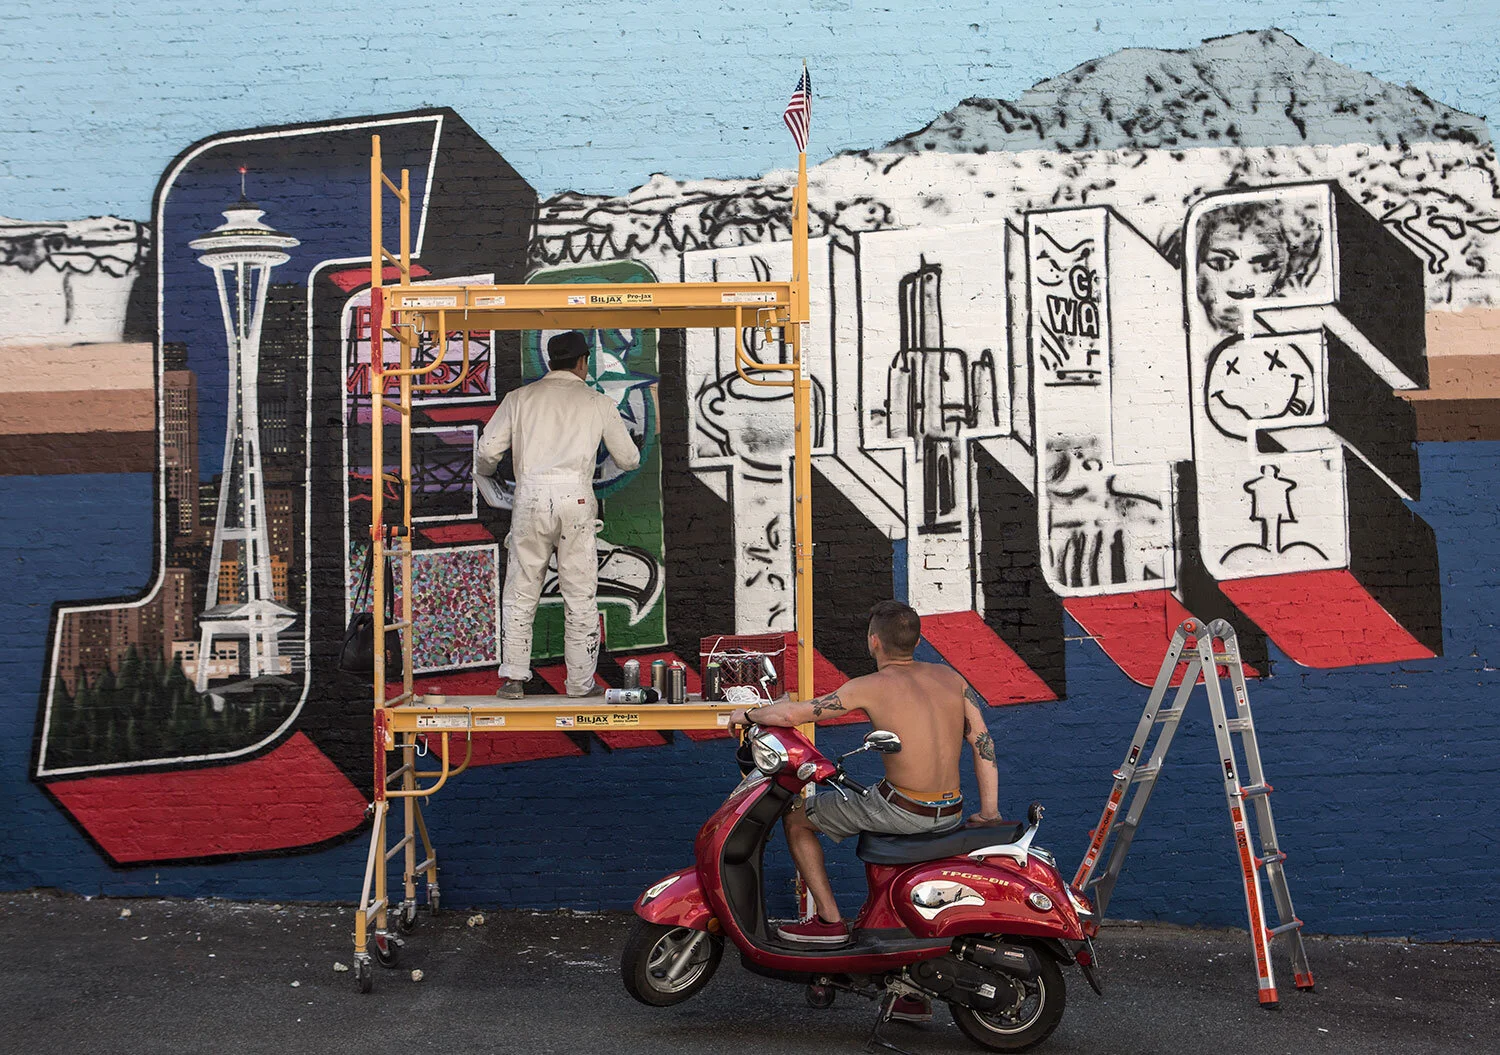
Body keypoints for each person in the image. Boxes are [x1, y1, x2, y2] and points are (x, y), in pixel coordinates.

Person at [729, 600, 1003, 945]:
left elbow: (791, 716)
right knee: (872, 793)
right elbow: (983, 743)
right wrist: (989, 812)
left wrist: (747, 715)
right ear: (918, 641)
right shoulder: (952, 678)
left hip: (904, 811)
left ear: (874, 641)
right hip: (951, 812)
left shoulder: (869, 685)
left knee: (797, 818)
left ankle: (829, 921)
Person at [476, 331, 641, 699]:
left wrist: (485, 474)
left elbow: (487, 451)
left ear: (551, 362)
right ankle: (580, 684)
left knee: (521, 589)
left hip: (530, 498)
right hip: (576, 499)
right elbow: (629, 458)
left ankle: (514, 678)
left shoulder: (519, 399)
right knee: (580, 595)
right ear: (583, 362)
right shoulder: (597, 402)